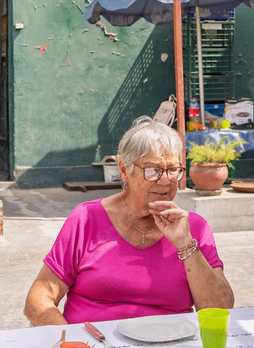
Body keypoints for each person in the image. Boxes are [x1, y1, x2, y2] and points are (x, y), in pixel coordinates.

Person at [24, 117, 234, 325]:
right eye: (153, 170)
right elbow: (38, 299)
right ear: (124, 171)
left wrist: (185, 244)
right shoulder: (86, 219)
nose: (165, 180)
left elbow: (220, 309)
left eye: (173, 170)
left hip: (170, 343)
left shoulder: (193, 227)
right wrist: (69, 341)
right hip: (93, 343)